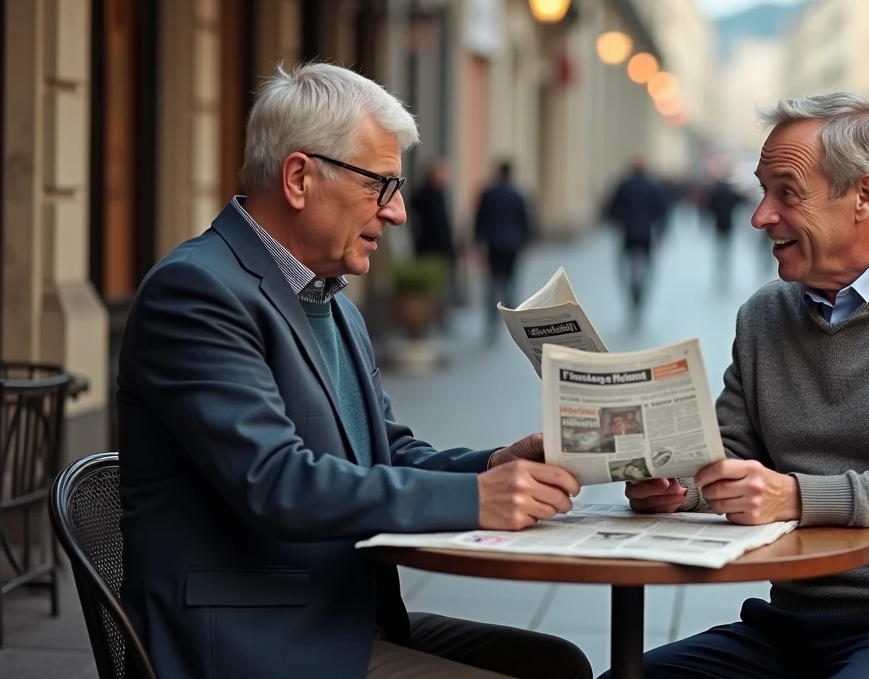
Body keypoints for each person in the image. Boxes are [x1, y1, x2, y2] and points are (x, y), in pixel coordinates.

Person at [116, 63, 592, 679]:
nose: (396, 214)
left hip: (334, 613)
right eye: (380, 187)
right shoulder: (196, 292)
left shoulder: (331, 299)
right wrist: (477, 499)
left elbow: (384, 454)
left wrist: (496, 464)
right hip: (249, 639)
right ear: (298, 179)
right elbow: (276, 481)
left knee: (558, 664)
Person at [616, 92, 869, 679]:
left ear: (863, 195)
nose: (760, 216)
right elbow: (728, 454)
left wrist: (801, 497)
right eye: (762, 191)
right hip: (788, 622)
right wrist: (679, 487)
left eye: (786, 192)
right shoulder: (764, 314)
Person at [605, 156, 669, 329]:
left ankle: (632, 294)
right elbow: (662, 211)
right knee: (648, 269)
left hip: (628, 234)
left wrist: (619, 222)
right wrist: (661, 232)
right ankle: (641, 295)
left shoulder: (624, 185)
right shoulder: (653, 185)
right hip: (646, 234)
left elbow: (610, 209)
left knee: (624, 268)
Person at [474, 160, 531, 342]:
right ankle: (510, 314)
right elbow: (525, 221)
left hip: (493, 244)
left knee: (492, 281)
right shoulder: (518, 194)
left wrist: (478, 241)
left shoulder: (488, 193)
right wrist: (526, 242)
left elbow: (480, 219)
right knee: (510, 280)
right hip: (512, 244)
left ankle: (492, 317)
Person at [409, 159, 459, 324]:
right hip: (428, 248)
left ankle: (441, 316)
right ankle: (432, 317)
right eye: (442, 173)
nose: (445, 177)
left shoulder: (440, 194)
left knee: (442, 285)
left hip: (442, 249)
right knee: (432, 286)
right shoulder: (424, 195)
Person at [704, 165, 745, 291]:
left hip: (718, 224)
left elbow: (709, 207)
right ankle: (725, 273)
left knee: (719, 251)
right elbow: (741, 201)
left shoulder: (715, 193)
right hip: (728, 224)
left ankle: (719, 271)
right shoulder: (731, 193)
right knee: (727, 250)